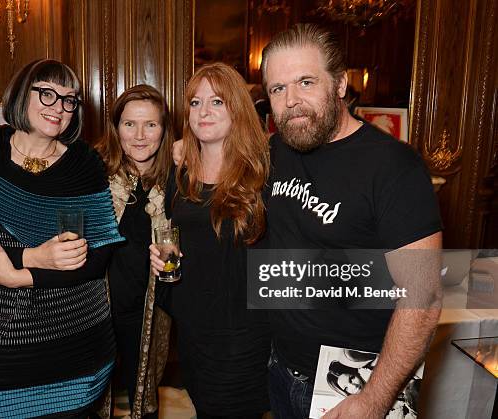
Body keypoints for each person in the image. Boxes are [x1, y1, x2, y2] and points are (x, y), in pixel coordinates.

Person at [260, 24, 443, 418]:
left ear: (341, 84)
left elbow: (424, 298)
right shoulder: (276, 149)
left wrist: (373, 399)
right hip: (281, 367)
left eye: (306, 82)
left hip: (355, 382)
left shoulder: (393, 167)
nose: (291, 101)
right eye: (278, 89)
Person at [0, 59, 124, 418]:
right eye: (47, 94)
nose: (60, 107)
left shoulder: (85, 167)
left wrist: (20, 276)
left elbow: (96, 259)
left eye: (70, 99)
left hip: (74, 347)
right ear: (22, 94)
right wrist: (33, 258)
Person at [150, 62, 271, 419]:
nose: (204, 112)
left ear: (237, 109)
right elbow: (175, 240)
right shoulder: (180, 174)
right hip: (195, 332)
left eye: (217, 102)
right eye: (195, 103)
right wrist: (160, 257)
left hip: (245, 336)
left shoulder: (264, 173)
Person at [95, 84, 174, 419]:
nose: (140, 136)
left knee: (144, 396)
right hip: (97, 308)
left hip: (150, 311)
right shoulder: (94, 174)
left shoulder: (177, 180)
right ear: (116, 129)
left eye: (151, 125)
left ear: (164, 130)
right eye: (130, 124)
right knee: (93, 394)